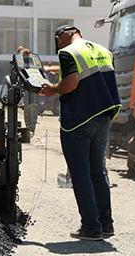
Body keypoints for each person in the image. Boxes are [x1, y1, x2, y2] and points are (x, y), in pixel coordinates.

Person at [42, 25, 121, 240]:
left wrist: (52, 89)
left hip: (79, 120)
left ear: (59, 39)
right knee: (98, 172)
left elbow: (70, 83)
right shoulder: (104, 51)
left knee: (80, 174)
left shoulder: (68, 52)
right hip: (103, 118)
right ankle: (106, 224)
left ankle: (91, 227)